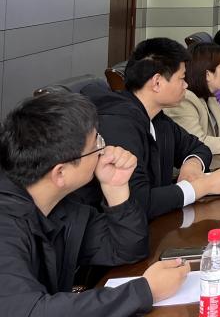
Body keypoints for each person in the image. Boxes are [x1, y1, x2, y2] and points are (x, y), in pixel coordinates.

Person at [0, 91, 188, 315]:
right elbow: (29, 312)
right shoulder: (6, 227)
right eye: (96, 145)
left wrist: (115, 187)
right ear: (60, 173)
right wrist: (145, 292)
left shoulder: (61, 205)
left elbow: (126, 248)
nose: (105, 150)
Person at [82, 38, 220, 219]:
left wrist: (192, 166)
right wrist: (203, 186)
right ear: (157, 83)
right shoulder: (119, 125)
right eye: (182, 78)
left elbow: (197, 147)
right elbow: (136, 202)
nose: (186, 85)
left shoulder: (156, 117)